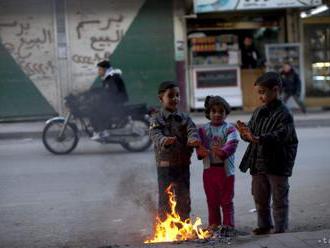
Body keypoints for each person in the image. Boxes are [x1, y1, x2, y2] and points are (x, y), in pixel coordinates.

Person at [237, 72, 298, 235]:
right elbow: (252, 132)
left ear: (275, 90)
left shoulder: (284, 113)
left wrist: (259, 138)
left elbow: (281, 135)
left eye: (262, 92)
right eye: (259, 93)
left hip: (277, 163)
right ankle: (264, 225)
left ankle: (280, 228)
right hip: (258, 163)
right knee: (260, 197)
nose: (260, 97)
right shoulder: (258, 112)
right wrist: (245, 133)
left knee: (279, 199)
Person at [149, 81, 200, 221]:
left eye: (177, 95)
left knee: (183, 196)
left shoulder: (184, 118)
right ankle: (166, 224)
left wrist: (193, 139)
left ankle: (184, 223)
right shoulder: (157, 118)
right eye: (170, 96)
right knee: (166, 197)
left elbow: (192, 130)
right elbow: (155, 134)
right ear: (161, 98)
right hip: (165, 166)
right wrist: (164, 140)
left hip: (183, 164)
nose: (175, 99)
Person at [196, 95, 239, 237]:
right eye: (213, 111)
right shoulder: (203, 130)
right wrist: (200, 150)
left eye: (221, 111)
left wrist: (222, 152)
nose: (217, 114)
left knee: (226, 200)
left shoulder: (230, 129)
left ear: (226, 113)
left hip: (226, 172)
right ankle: (214, 224)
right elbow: (199, 146)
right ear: (208, 113)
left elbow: (232, 145)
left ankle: (228, 225)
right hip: (209, 171)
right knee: (212, 200)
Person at [90, 60, 129, 140]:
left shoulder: (112, 78)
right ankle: (100, 130)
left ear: (105, 70)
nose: (98, 72)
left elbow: (111, 92)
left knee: (97, 111)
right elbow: (105, 90)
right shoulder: (108, 78)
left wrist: (100, 98)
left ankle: (103, 132)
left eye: (100, 70)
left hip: (118, 102)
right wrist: (92, 92)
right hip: (115, 101)